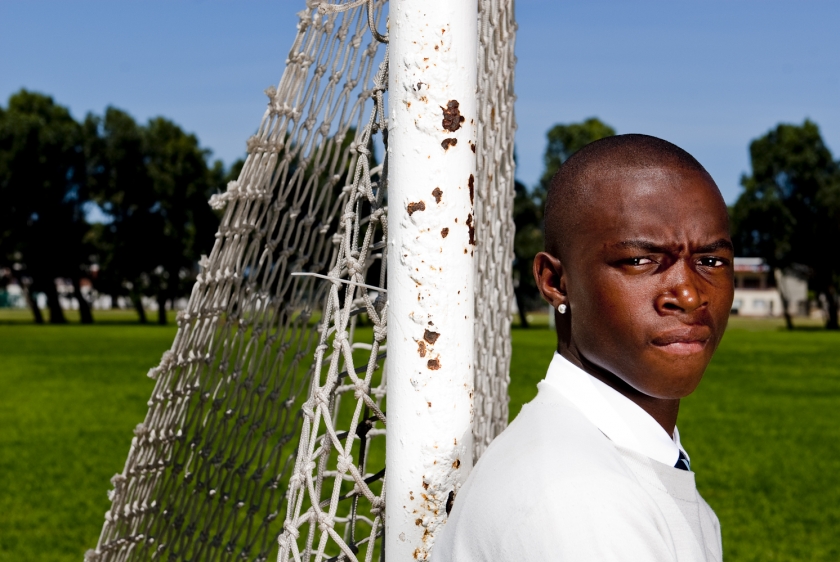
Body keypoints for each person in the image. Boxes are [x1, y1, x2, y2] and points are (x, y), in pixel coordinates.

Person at [432, 134, 733, 561]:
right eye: (639, 260)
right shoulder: (579, 499)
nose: (688, 294)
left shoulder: (613, 459)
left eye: (711, 261)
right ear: (555, 282)